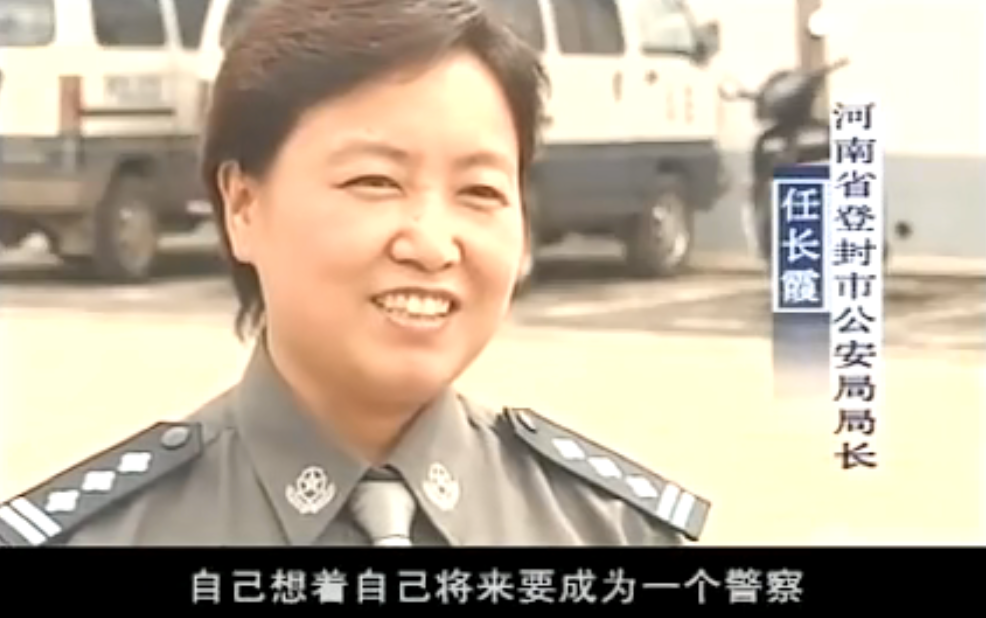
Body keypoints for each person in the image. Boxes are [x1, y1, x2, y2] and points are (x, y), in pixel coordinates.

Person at [0, 0, 710, 547]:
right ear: (243, 205)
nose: (432, 245)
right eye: (374, 181)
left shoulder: (613, 531)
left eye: (480, 191)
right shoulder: (100, 537)